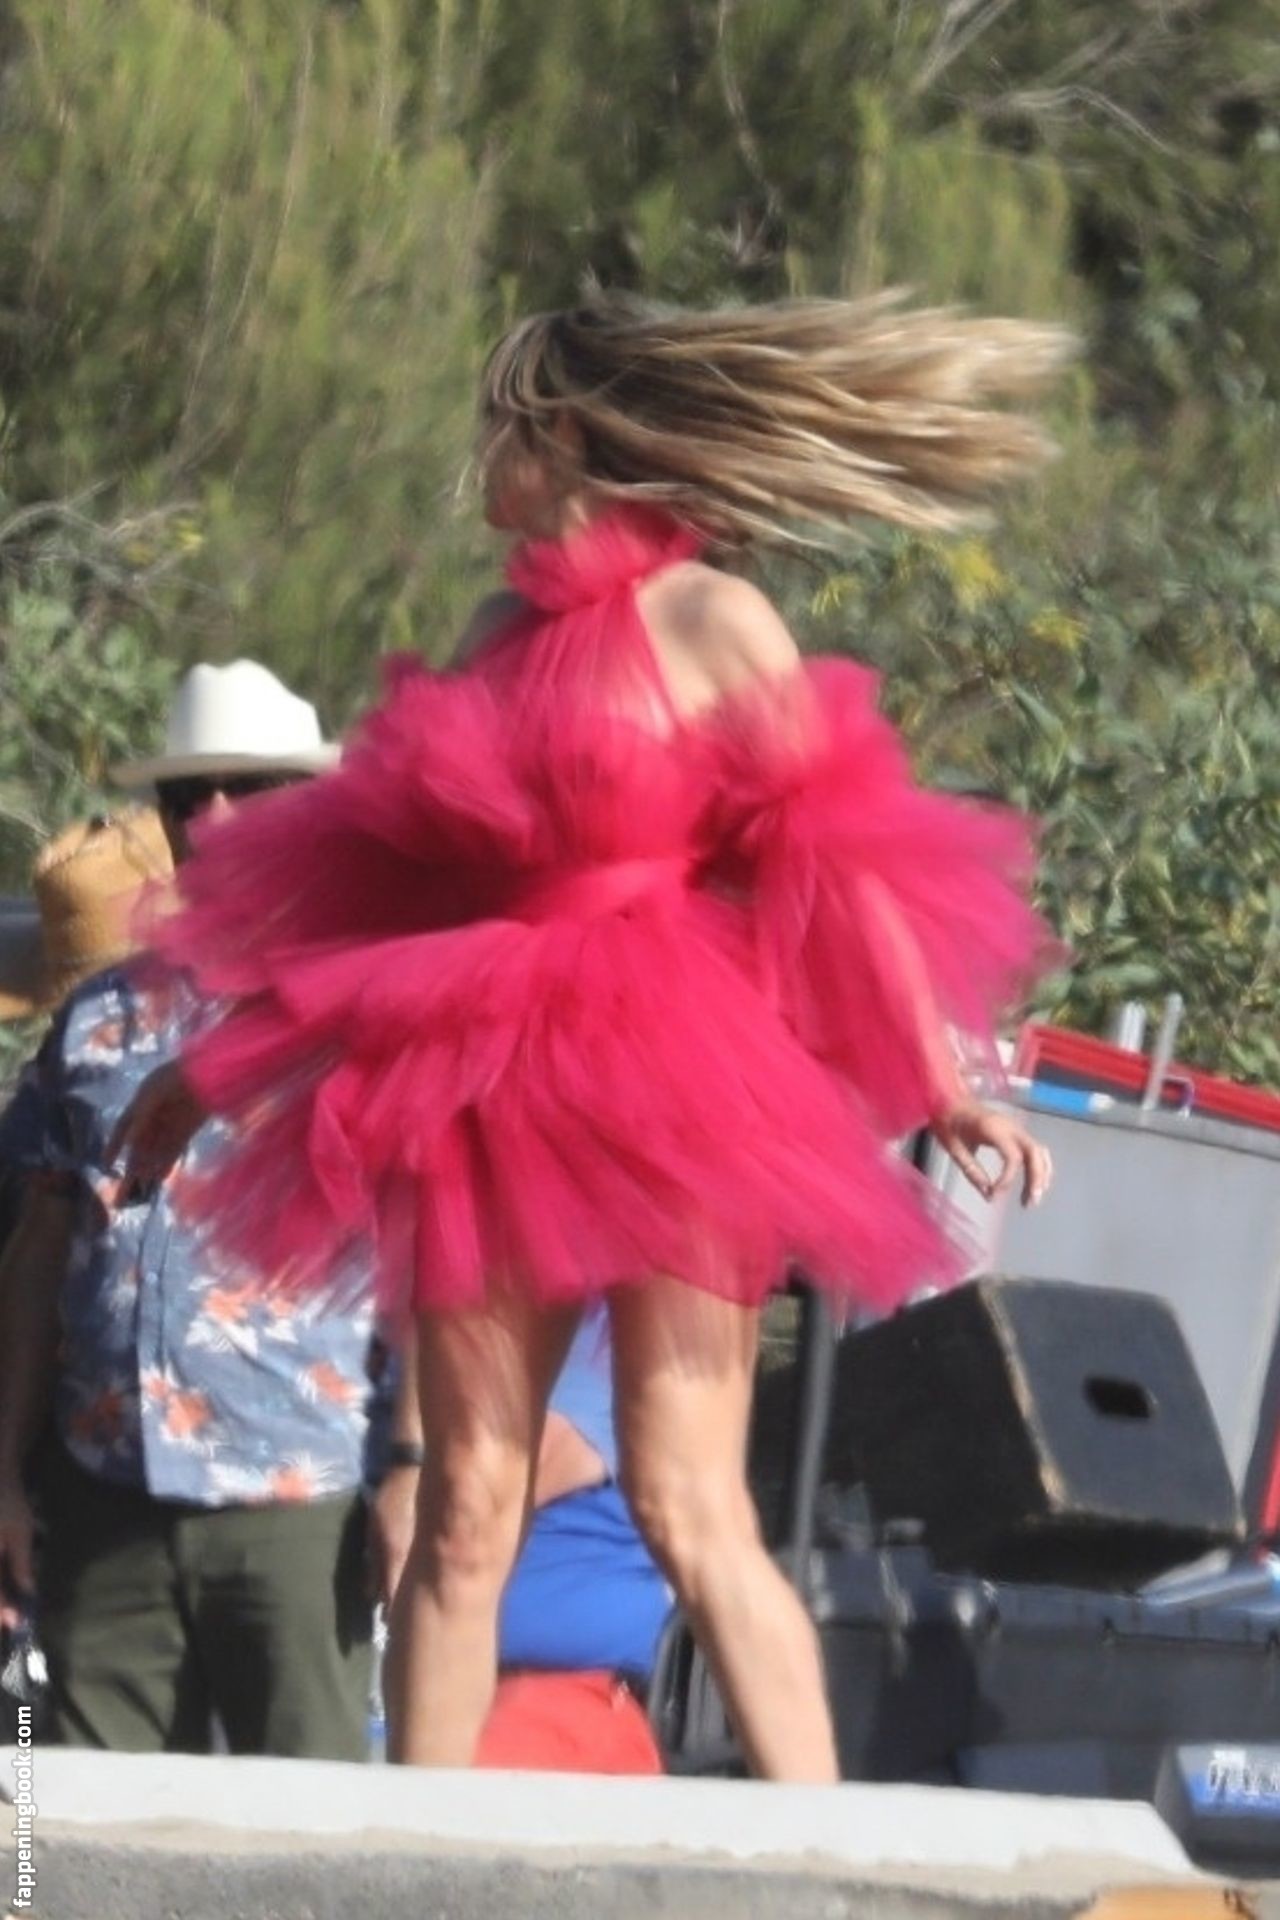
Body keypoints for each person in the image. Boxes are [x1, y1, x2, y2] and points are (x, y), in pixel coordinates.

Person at [112, 291, 1063, 1782]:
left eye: (496, 429)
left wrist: (942, 1087)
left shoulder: (712, 620)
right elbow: (369, 898)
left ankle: (827, 1851)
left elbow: (837, 858)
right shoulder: (495, 637)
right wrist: (206, 1067)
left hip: (676, 1072)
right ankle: (414, 1856)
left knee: (689, 1502)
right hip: (485, 1080)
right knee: (462, 1507)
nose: (477, 459)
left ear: (557, 437)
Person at [0, 661, 392, 1760]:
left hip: (300, 1496)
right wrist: (5, 1475)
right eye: (185, 795)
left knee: (308, 1827)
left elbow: (448, 1253)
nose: (212, 817)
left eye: (248, 787)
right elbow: (40, 1251)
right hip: (106, 1498)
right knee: (73, 1822)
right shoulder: (98, 1019)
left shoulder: (371, 1009)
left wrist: (417, 1465)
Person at [371, 1309, 670, 1773]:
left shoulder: (578, 1333)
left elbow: (478, 1493)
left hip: (554, 1702)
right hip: (383, 1686)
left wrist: (406, 1468)